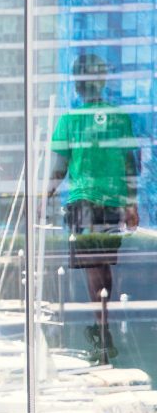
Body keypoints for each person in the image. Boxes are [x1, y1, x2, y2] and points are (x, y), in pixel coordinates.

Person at [48, 53, 139, 364]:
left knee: (94, 266)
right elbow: (130, 162)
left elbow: (58, 169)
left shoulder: (70, 120)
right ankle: (103, 324)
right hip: (113, 201)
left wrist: (41, 196)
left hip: (84, 200)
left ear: (76, 85)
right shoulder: (119, 117)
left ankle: (101, 329)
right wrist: (131, 202)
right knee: (104, 265)